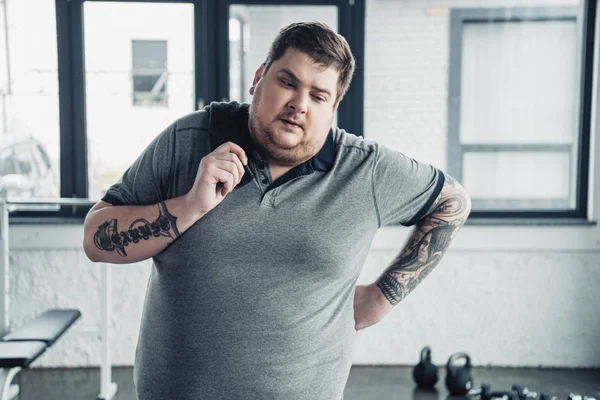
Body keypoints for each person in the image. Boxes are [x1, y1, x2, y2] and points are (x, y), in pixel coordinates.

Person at [83, 21, 471, 400]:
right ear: (258, 78)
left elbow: (452, 202)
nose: (299, 105)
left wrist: (383, 295)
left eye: (318, 96)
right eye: (287, 82)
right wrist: (188, 207)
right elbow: (96, 239)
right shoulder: (189, 141)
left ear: (333, 107)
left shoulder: (363, 170)